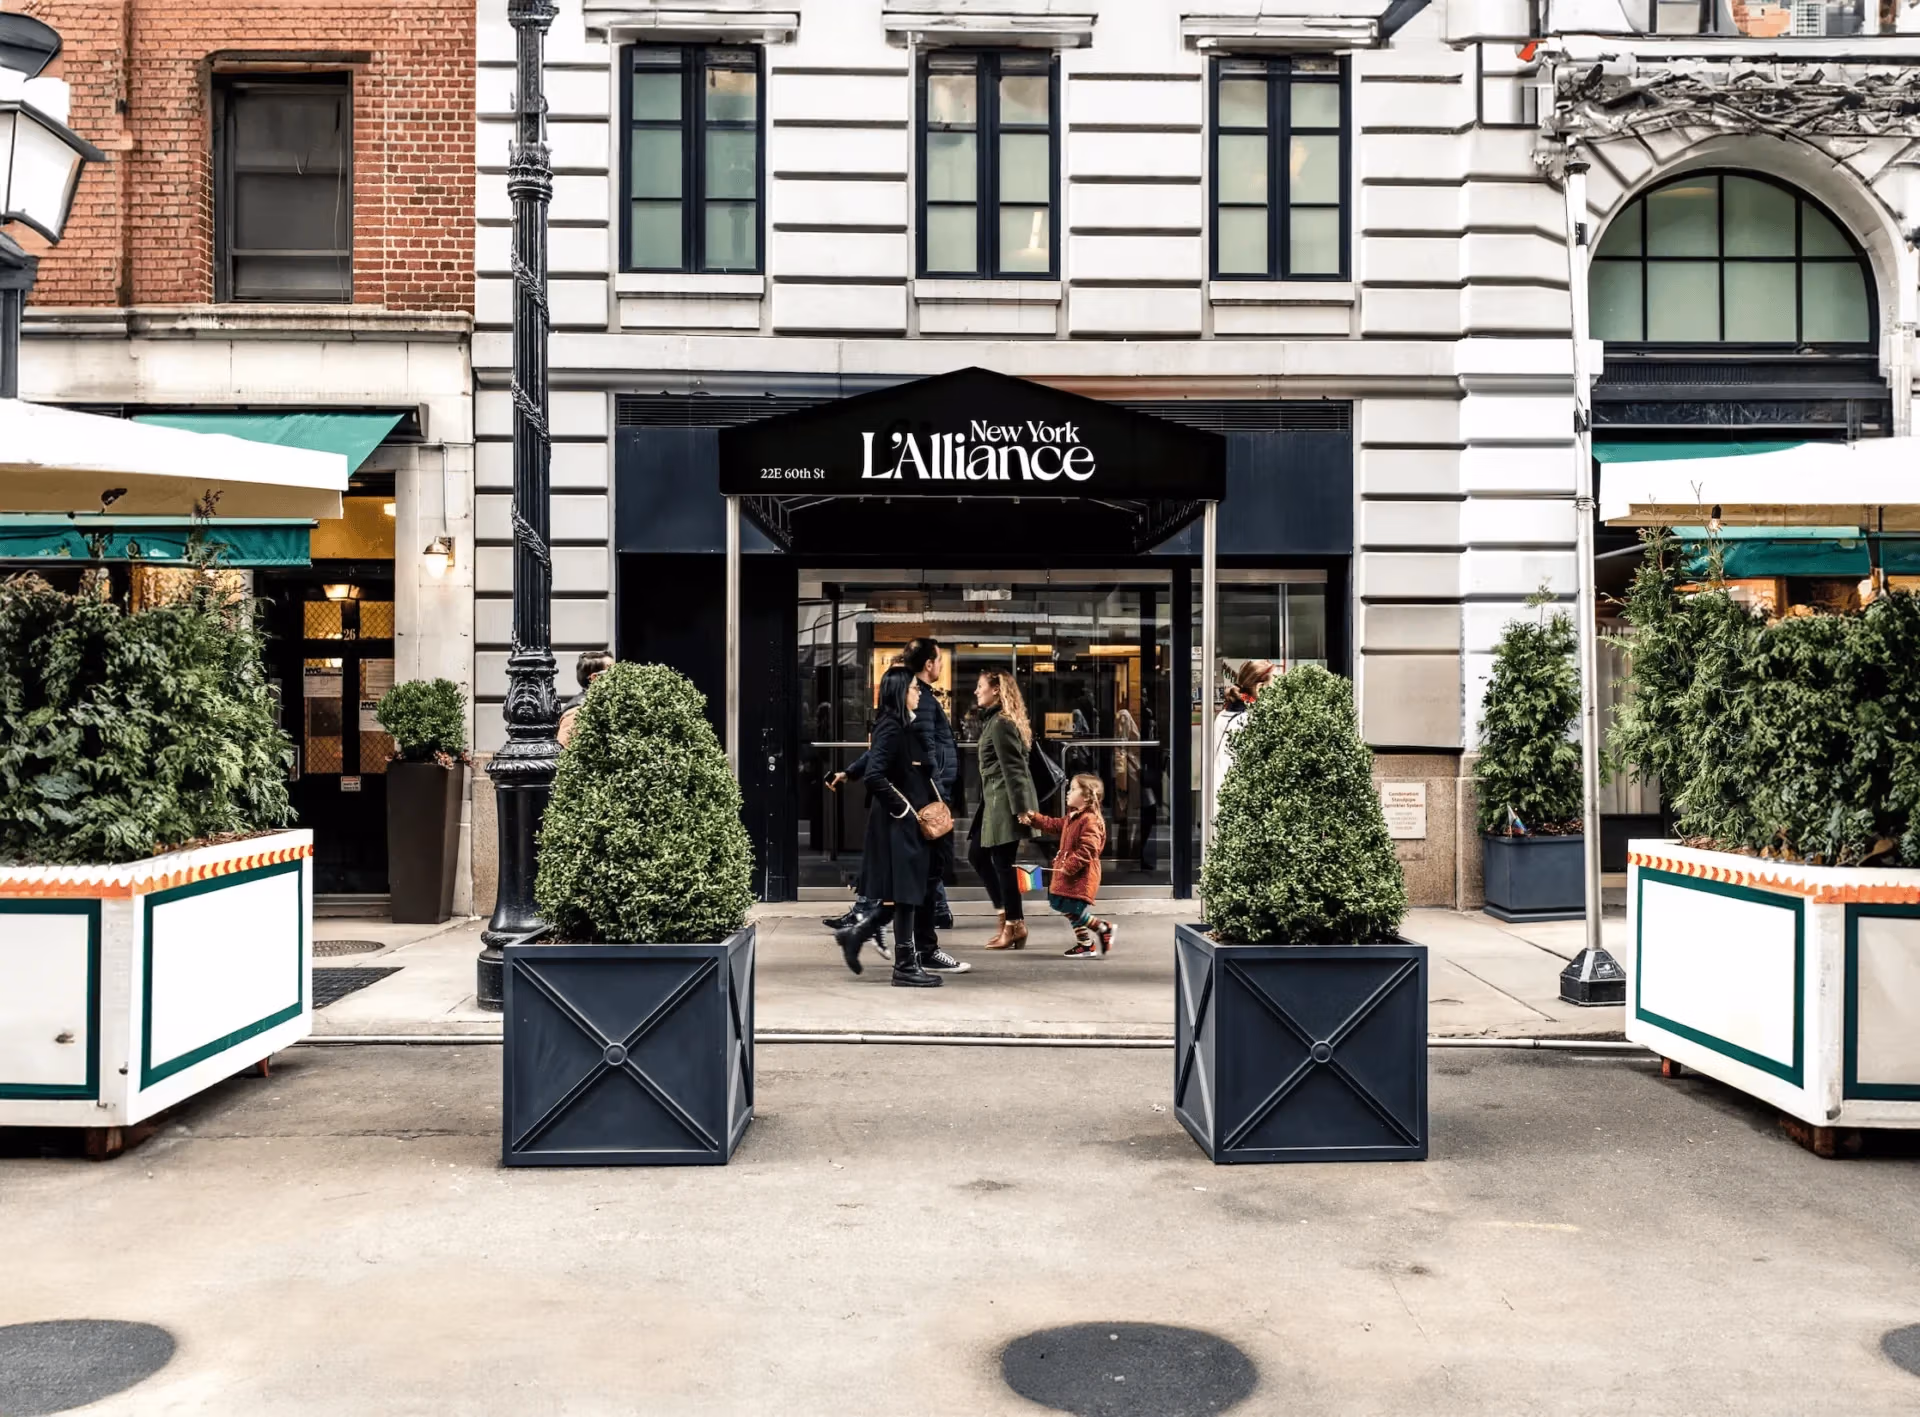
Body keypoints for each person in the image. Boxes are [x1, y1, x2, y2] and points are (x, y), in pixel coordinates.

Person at [833, 666, 952, 987]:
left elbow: (874, 757)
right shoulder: (892, 725)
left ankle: (856, 935)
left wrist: (850, 772)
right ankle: (904, 966)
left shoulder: (902, 724)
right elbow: (877, 773)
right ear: (901, 692)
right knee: (905, 894)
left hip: (913, 822)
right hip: (901, 825)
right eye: (914, 687)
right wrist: (905, 811)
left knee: (910, 891)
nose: (918, 692)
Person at [970, 667, 1039, 950]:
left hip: (1005, 803)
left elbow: (1015, 769)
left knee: (1003, 865)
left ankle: (1013, 925)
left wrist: (1022, 809)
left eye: (980, 685)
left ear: (996, 689)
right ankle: (1009, 918)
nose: (976, 691)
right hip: (994, 801)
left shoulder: (1000, 723)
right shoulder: (993, 721)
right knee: (978, 855)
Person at [1023, 774, 1116, 958]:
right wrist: (1035, 818)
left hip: (1081, 875)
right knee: (1064, 905)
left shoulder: (1090, 820)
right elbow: (1054, 825)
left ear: (1088, 796)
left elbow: (1089, 848)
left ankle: (1101, 928)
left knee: (1070, 907)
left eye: (1073, 789)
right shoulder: (1074, 817)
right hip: (1070, 873)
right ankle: (1086, 944)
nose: (1068, 792)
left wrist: (1071, 865)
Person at [1209, 658, 1278, 812]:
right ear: (1260, 687)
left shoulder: (1225, 715)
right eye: (1275, 683)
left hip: (1222, 798)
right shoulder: (1249, 720)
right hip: (1241, 804)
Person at [556, 649, 614, 748]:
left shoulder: (606, 705)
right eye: (613, 672)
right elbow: (564, 752)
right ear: (595, 678)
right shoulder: (575, 713)